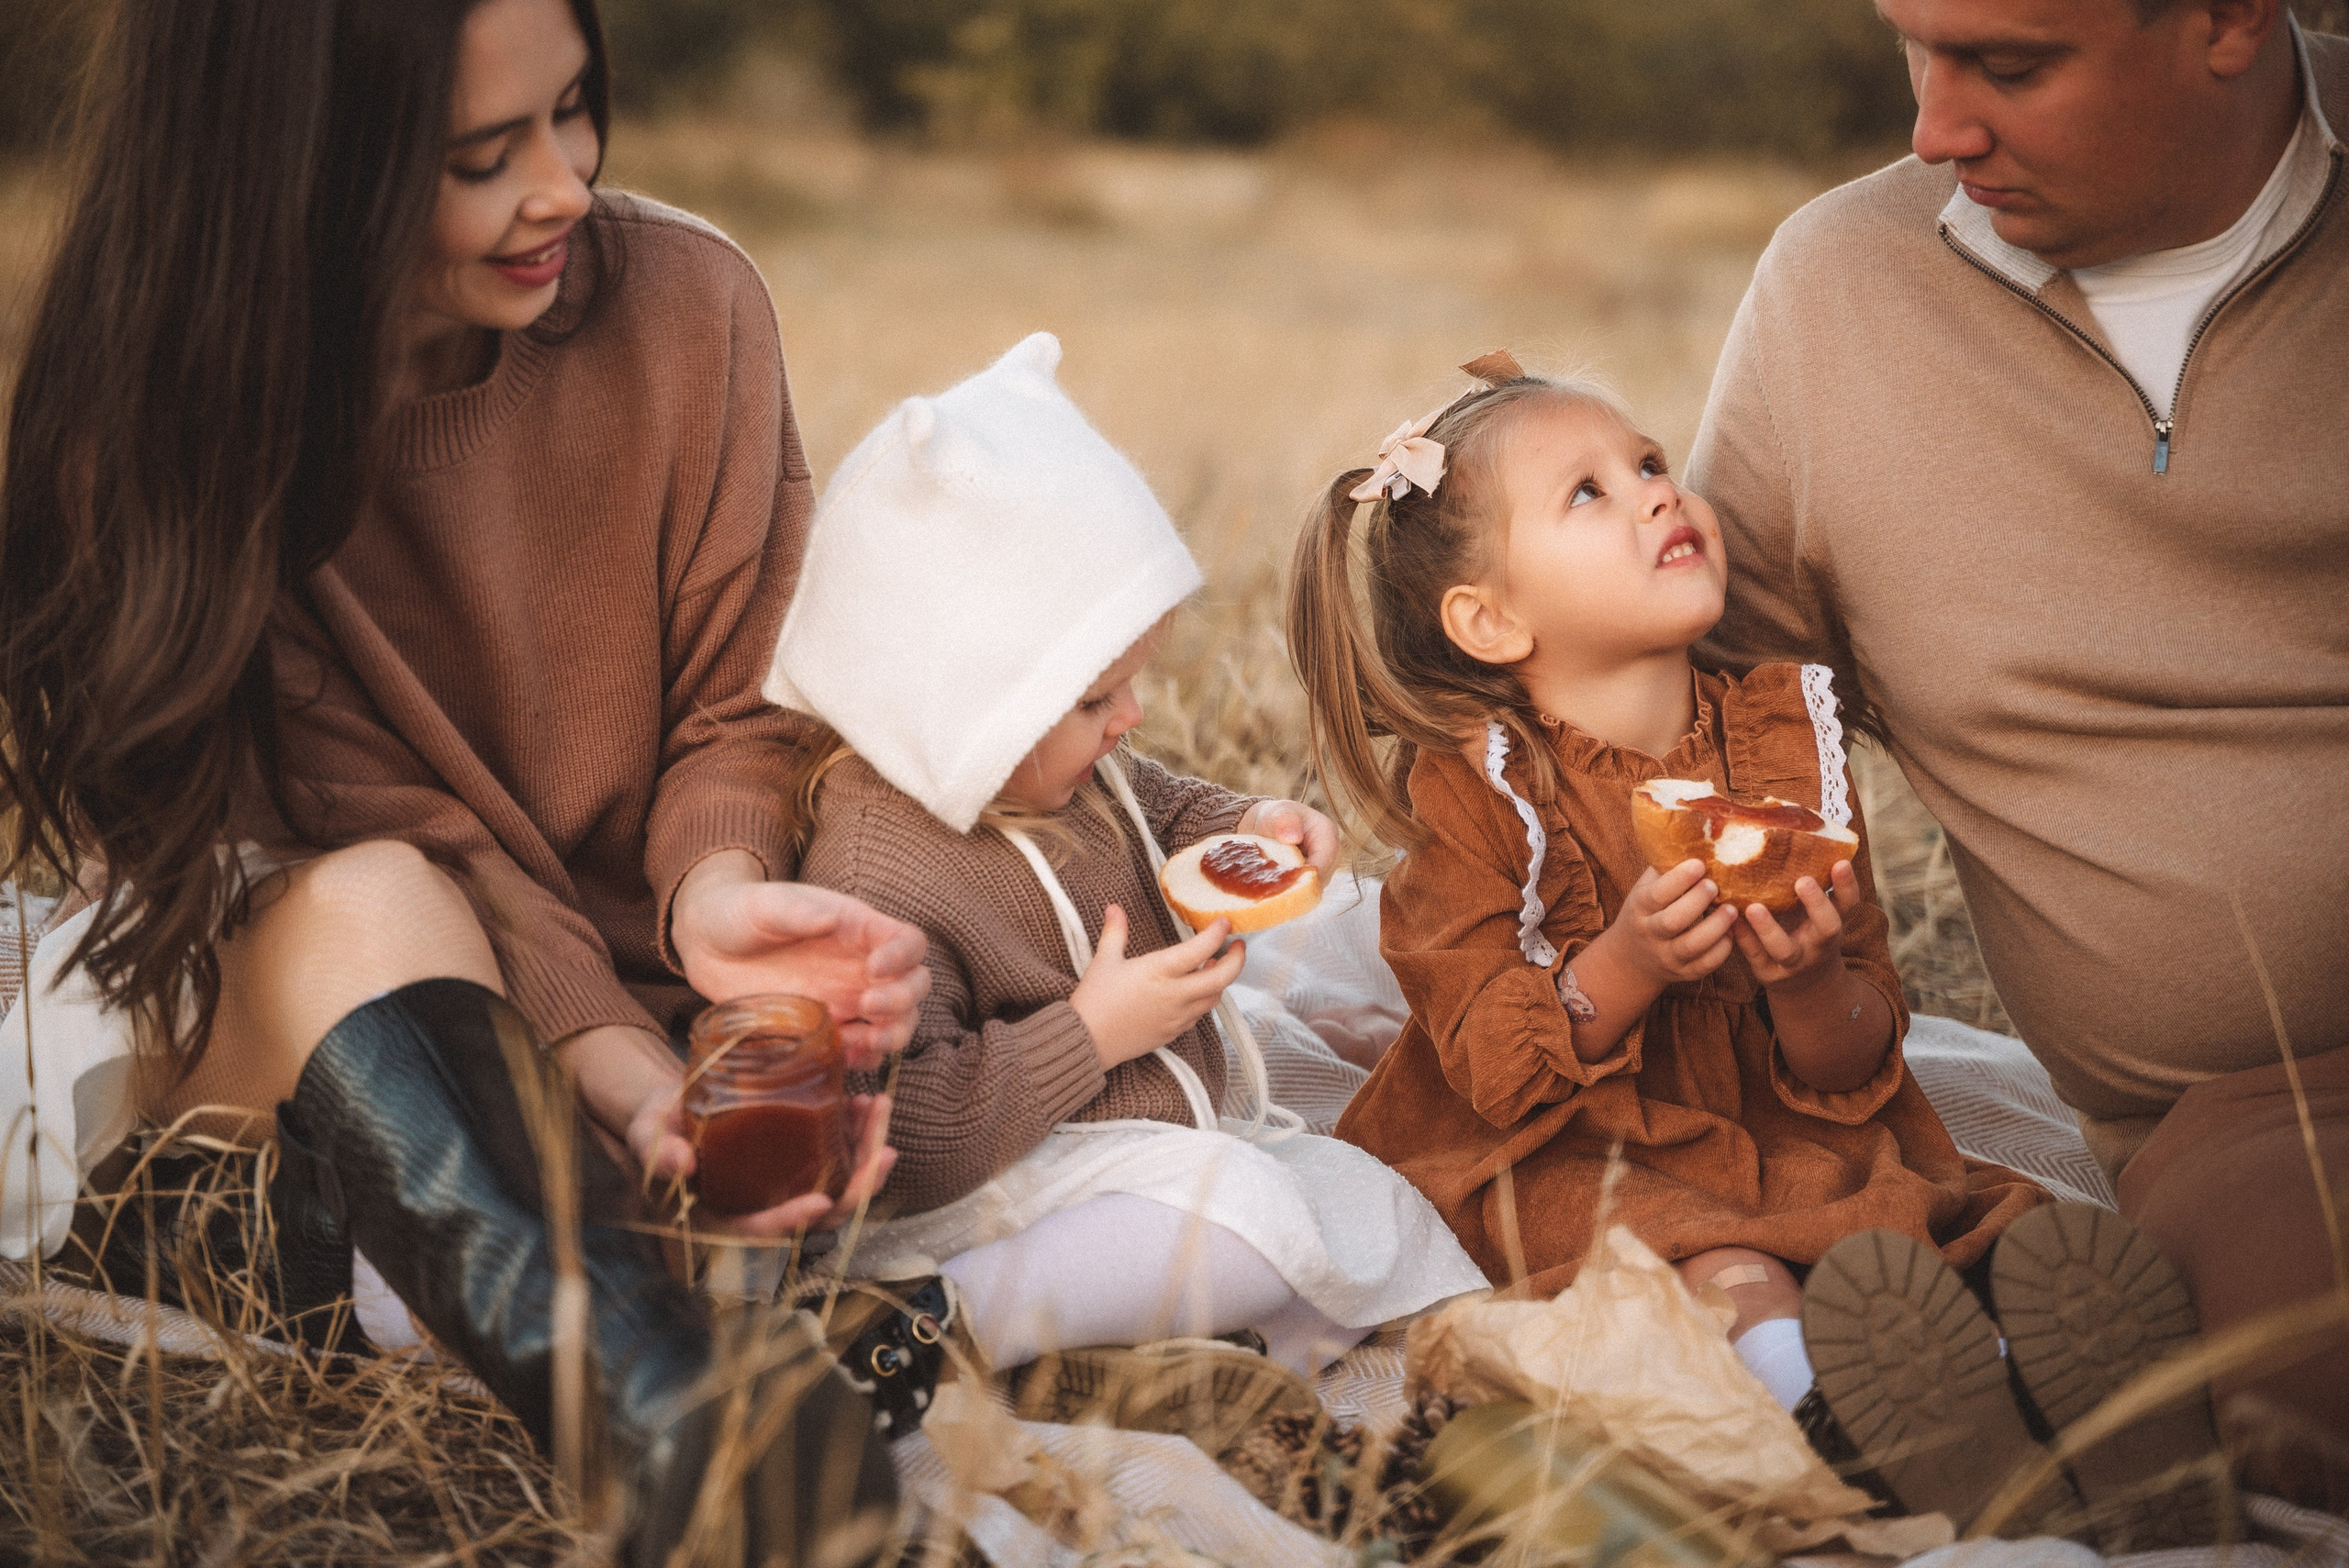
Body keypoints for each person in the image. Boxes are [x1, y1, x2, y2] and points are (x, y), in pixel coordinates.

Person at [0, 0, 927, 1558]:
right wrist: (623, 1055)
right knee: (376, 893)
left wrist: (717, 894)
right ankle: (686, 1423)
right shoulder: (171, 429)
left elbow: (741, 700)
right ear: (294, 172)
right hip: (275, 987)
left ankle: (435, 1277)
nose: (563, 183)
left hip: (572, 1000)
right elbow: (387, 832)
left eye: (574, 109)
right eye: (481, 157)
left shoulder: (688, 307)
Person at [1282, 353, 2266, 1538]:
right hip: (1581, 1158)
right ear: (1490, 620)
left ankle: (2052, 1406)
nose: (1657, 490)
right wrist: (1630, 963)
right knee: (1726, 1273)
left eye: (1649, 461)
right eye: (1589, 492)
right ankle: (1842, 1438)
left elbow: (1859, 1060)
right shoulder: (1480, 797)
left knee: (1963, 1225)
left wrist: (1807, 981)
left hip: (1781, 1130)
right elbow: (1495, 1065)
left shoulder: (1782, 742)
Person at [1687, 0, 2349, 1511]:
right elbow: (1704, 721)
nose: (1934, 129)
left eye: (2010, 64)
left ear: (2231, 20)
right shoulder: (1843, 291)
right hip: (2244, 1142)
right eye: (1915, 48)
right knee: (2281, 1322)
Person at [766, 333, 1491, 1433]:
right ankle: (939, 1322)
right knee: (1249, 1217)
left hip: (1143, 1119)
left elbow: (1161, 805)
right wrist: (1089, 1032)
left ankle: (1157, 1351)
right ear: (967, 705)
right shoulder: (878, 876)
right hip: (992, 1192)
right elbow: (904, 1133)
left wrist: (1250, 821)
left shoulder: (1067, 770)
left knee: (1364, 1159)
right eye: (1098, 698)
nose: (1132, 718)